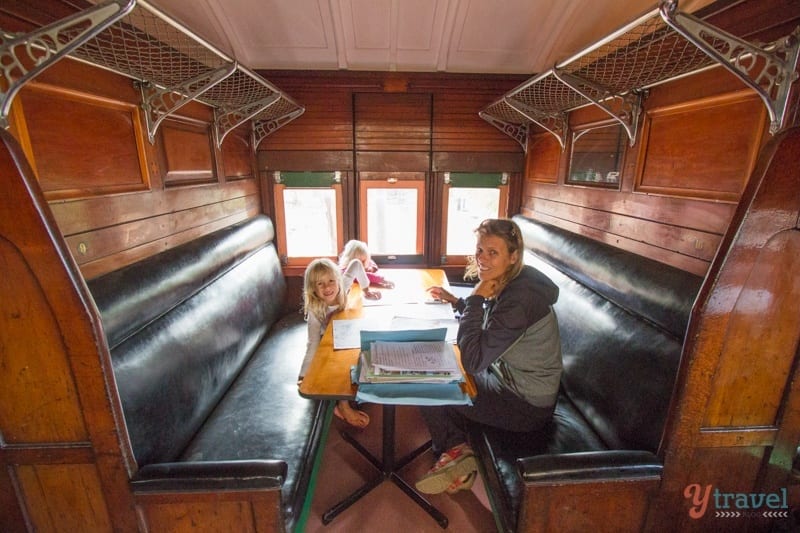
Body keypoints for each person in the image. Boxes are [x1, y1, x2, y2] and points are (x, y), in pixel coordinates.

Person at [415, 218, 562, 495]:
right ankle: (457, 449)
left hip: (525, 405)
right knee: (441, 360)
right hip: (505, 377)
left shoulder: (520, 299)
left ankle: (455, 453)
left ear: (513, 256)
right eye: (479, 250)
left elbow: (474, 359)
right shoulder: (513, 280)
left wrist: (473, 299)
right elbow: (494, 327)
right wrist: (458, 302)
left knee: (428, 379)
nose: (482, 258)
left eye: (492, 253)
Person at [299, 257, 381, 428]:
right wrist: (303, 375)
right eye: (320, 284)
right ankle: (343, 405)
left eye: (331, 281)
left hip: (345, 332)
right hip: (326, 344)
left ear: (338, 279)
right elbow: (312, 343)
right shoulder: (315, 311)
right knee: (341, 365)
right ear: (312, 288)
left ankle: (364, 387)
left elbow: (357, 264)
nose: (328, 287)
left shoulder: (342, 286)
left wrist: (366, 289)